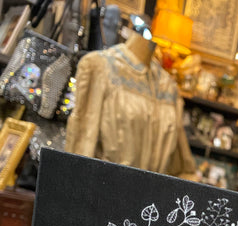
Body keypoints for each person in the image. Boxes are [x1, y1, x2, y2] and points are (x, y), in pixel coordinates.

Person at [65, 30, 196, 177]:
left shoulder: (168, 86)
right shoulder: (99, 66)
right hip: (105, 184)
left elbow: (182, 167)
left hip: (151, 190)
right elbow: (82, 142)